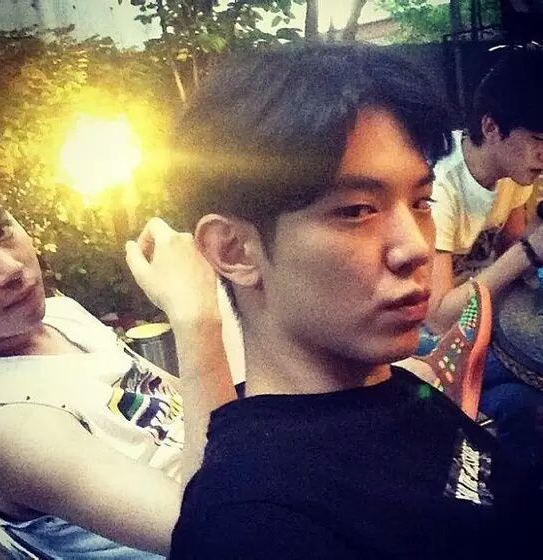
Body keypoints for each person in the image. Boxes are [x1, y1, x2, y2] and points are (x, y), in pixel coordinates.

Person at [166, 44, 542, 560]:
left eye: (421, 202)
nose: (415, 247)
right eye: (357, 210)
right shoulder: (256, 524)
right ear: (234, 251)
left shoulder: (397, 390)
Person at [0, 174, 241, 558]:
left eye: (1, 231)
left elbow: (172, 394)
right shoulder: (8, 426)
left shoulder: (60, 315)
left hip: (248, 472)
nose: (9, 269)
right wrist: (196, 316)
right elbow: (222, 531)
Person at [421, 48, 543, 474]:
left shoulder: (516, 174)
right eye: (539, 140)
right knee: (524, 396)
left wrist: (528, 249)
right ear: (491, 127)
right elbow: (437, 315)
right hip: (433, 337)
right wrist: (530, 251)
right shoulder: (441, 187)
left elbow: (512, 252)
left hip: (485, 321)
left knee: (520, 402)